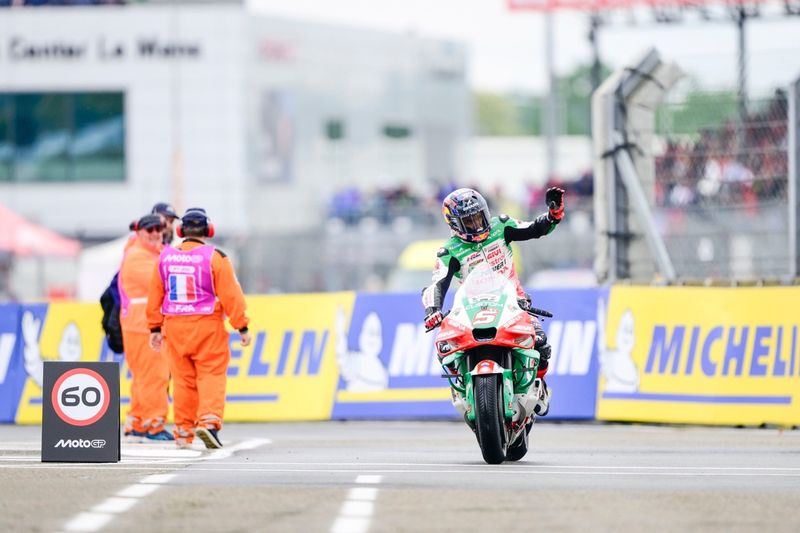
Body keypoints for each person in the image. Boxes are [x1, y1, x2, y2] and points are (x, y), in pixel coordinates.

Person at [421, 186, 565, 416]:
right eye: (469, 221)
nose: (476, 224)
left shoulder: (501, 226)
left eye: (479, 216)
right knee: (448, 348)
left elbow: (533, 228)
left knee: (540, 342)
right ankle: (463, 388)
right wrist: (432, 310)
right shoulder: (449, 251)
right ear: (455, 225)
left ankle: (539, 386)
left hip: (514, 302)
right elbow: (437, 284)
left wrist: (552, 215)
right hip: (472, 309)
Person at [146, 207, 251, 449]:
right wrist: (242, 326)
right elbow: (231, 295)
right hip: (207, 325)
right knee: (211, 373)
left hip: (175, 326)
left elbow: (155, 294)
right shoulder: (216, 257)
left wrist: (154, 328)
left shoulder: (165, 257)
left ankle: (183, 431)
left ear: (180, 231)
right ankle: (209, 422)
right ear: (209, 230)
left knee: (183, 380)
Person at [118, 214, 173, 440]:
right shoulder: (138, 257)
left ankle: (138, 421)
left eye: (159, 229)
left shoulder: (147, 253)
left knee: (143, 377)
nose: (155, 233)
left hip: (140, 324)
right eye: (150, 229)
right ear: (139, 232)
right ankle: (154, 424)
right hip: (144, 325)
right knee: (155, 376)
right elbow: (163, 282)